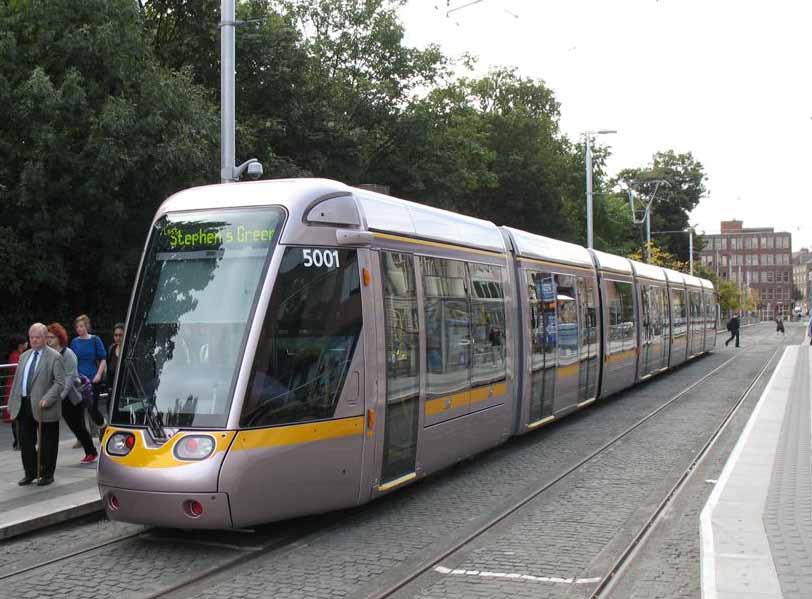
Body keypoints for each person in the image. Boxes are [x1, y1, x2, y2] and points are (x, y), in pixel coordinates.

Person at [7, 323, 65, 486]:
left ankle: (47, 474)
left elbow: (60, 382)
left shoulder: (54, 357)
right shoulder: (24, 356)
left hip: (44, 405)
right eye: (31, 337)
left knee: (48, 442)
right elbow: (18, 382)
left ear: (45, 338)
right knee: (25, 441)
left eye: (37, 337)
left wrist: (48, 398)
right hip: (24, 404)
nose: (33, 340)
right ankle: (30, 473)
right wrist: (12, 403)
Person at [47, 323, 97, 464]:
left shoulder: (68, 354)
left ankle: (91, 452)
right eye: (48, 337)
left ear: (59, 338)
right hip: (57, 396)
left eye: (51, 337)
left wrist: (59, 396)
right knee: (72, 425)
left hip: (72, 397)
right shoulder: (50, 354)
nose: (48, 340)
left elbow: (69, 378)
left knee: (78, 426)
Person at [69, 315, 107, 436]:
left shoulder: (95, 339)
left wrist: (98, 374)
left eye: (81, 326)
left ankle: (103, 426)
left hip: (92, 378)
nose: (79, 329)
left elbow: (103, 358)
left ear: (87, 326)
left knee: (92, 408)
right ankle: (82, 437)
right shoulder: (74, 342)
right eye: (77, 327)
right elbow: (72, 360)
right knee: (78, 410)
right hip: (78, 379)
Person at [3, 334, 28, 450]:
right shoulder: (16, 356)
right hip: (14, 387)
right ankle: (18, 442)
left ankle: (19, 441)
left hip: (12, 386)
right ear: (20, 345)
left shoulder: (17, 355)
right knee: (16, 416)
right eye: (25, 342)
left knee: (17, 416)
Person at [106, 323, 125, 390]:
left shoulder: (129, 350)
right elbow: (109, 369)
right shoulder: (112, 349)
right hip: (112, 388)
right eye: (116, 335)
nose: (118, 338)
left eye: (120, 335)